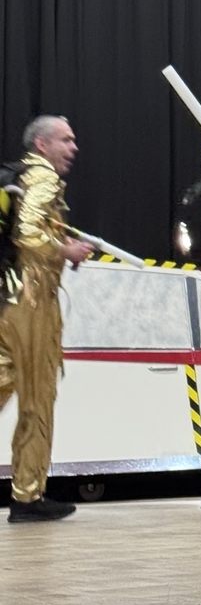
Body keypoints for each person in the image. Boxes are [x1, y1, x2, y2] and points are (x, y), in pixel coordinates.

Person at [0, 117, 93, 522]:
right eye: (65, 140)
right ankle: (28, 495)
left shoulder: (19, 176)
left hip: (7, 295)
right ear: (41, 145)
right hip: (32, 299)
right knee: (38, 397)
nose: (73, 147)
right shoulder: (43, 176)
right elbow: (26, 233)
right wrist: (65, 251)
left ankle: (28, 492)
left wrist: (59, 242)